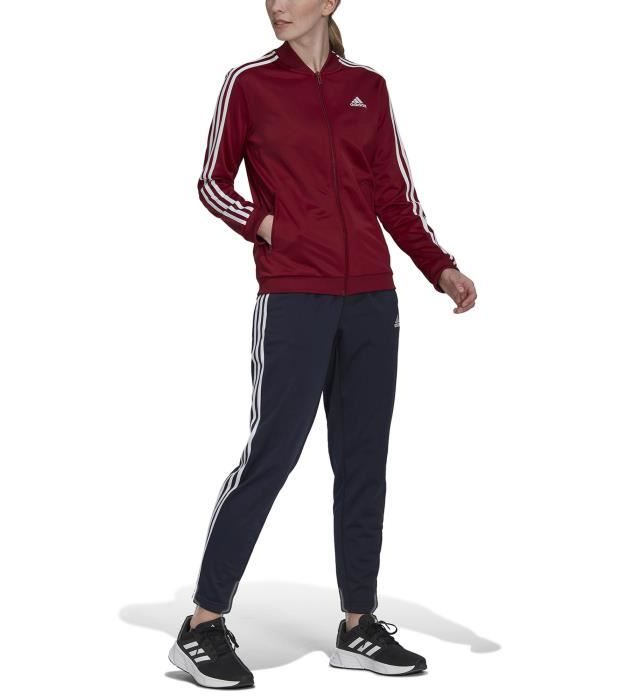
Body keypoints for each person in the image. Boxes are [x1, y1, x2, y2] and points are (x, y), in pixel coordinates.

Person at [168, 0, 477, 689]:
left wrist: (440, 268)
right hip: (293, 298)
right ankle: (201, 626)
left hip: (371, 299)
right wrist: (268, 227)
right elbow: (212, 184)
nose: (276, 4)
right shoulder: (250, 83)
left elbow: (393, 196)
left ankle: (358, 624)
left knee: (364, 462)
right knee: (271, 455)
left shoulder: (368, 87)